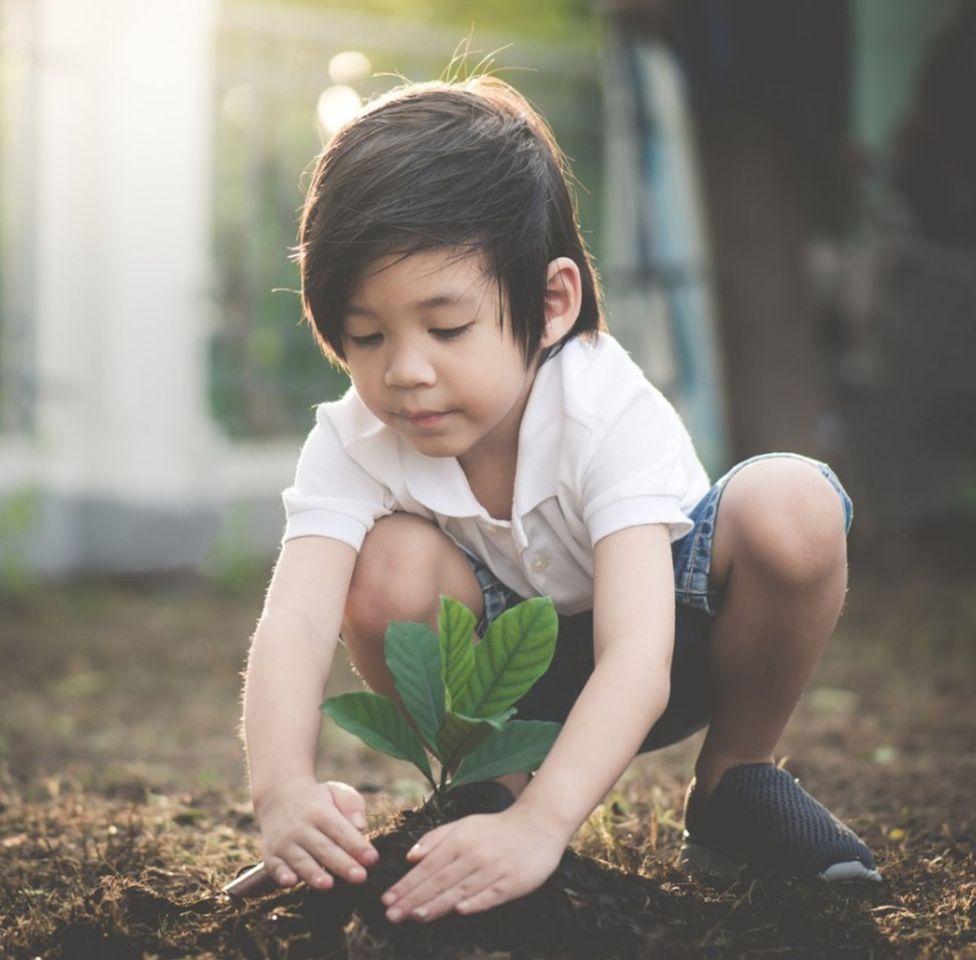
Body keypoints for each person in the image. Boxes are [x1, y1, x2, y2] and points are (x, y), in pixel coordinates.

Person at [238, 75, 880, 926]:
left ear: (550, 304)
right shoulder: (355, 440)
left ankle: (736, 783)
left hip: (678, 645)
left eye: (447, 326)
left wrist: (551, 823)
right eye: (367, 334)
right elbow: (295, 624)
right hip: (509, 691)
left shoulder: (601, 407)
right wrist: (283, 793)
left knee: (792, 502)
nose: (406, 370)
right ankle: (488, 799)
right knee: (383, 565)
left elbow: (637, 655)